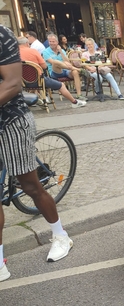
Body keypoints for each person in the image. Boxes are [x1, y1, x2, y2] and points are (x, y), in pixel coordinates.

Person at [0, 25, 74, 281]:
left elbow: (11, 83)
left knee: (31, 186)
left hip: (11, 122)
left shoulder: (2, 35)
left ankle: (61, 235)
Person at [17, 37, 87, 108]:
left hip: (22, 82)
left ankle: (39, 99)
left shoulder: (14, 54)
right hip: (38, 80)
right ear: (26, 43)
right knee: (61, 85)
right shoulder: (34, 51)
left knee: (73, 72)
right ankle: (74, 102)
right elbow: (44, 66)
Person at [42, 34, 85, 100]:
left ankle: (79, 95)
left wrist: (61, 52)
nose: (51, 43)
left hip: (65, 70)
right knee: (55, 62)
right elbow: (52, 62)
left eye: (53, 41)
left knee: (75, 72)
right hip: (55, 72)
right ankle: (79, 70)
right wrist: (66, 64)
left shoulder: (61, 50)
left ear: (57, 42)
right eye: (50, 41)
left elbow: (67, 61)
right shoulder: (45, 51)